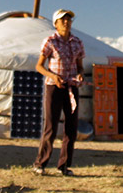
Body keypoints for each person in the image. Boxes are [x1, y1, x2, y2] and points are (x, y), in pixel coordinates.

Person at [33, 9, 84, 177]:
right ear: (55, 24)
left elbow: (80, 66)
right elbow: (39, 66)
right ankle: (40, 164)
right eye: (63, 20)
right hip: (54, 87)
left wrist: (80, 75)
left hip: (71, 87)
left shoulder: (77, 42)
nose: (66, 22)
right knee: (51, 126)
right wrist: (53, 76)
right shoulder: (50, 41)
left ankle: (64, 166)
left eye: (69, 20)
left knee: (71, 127)